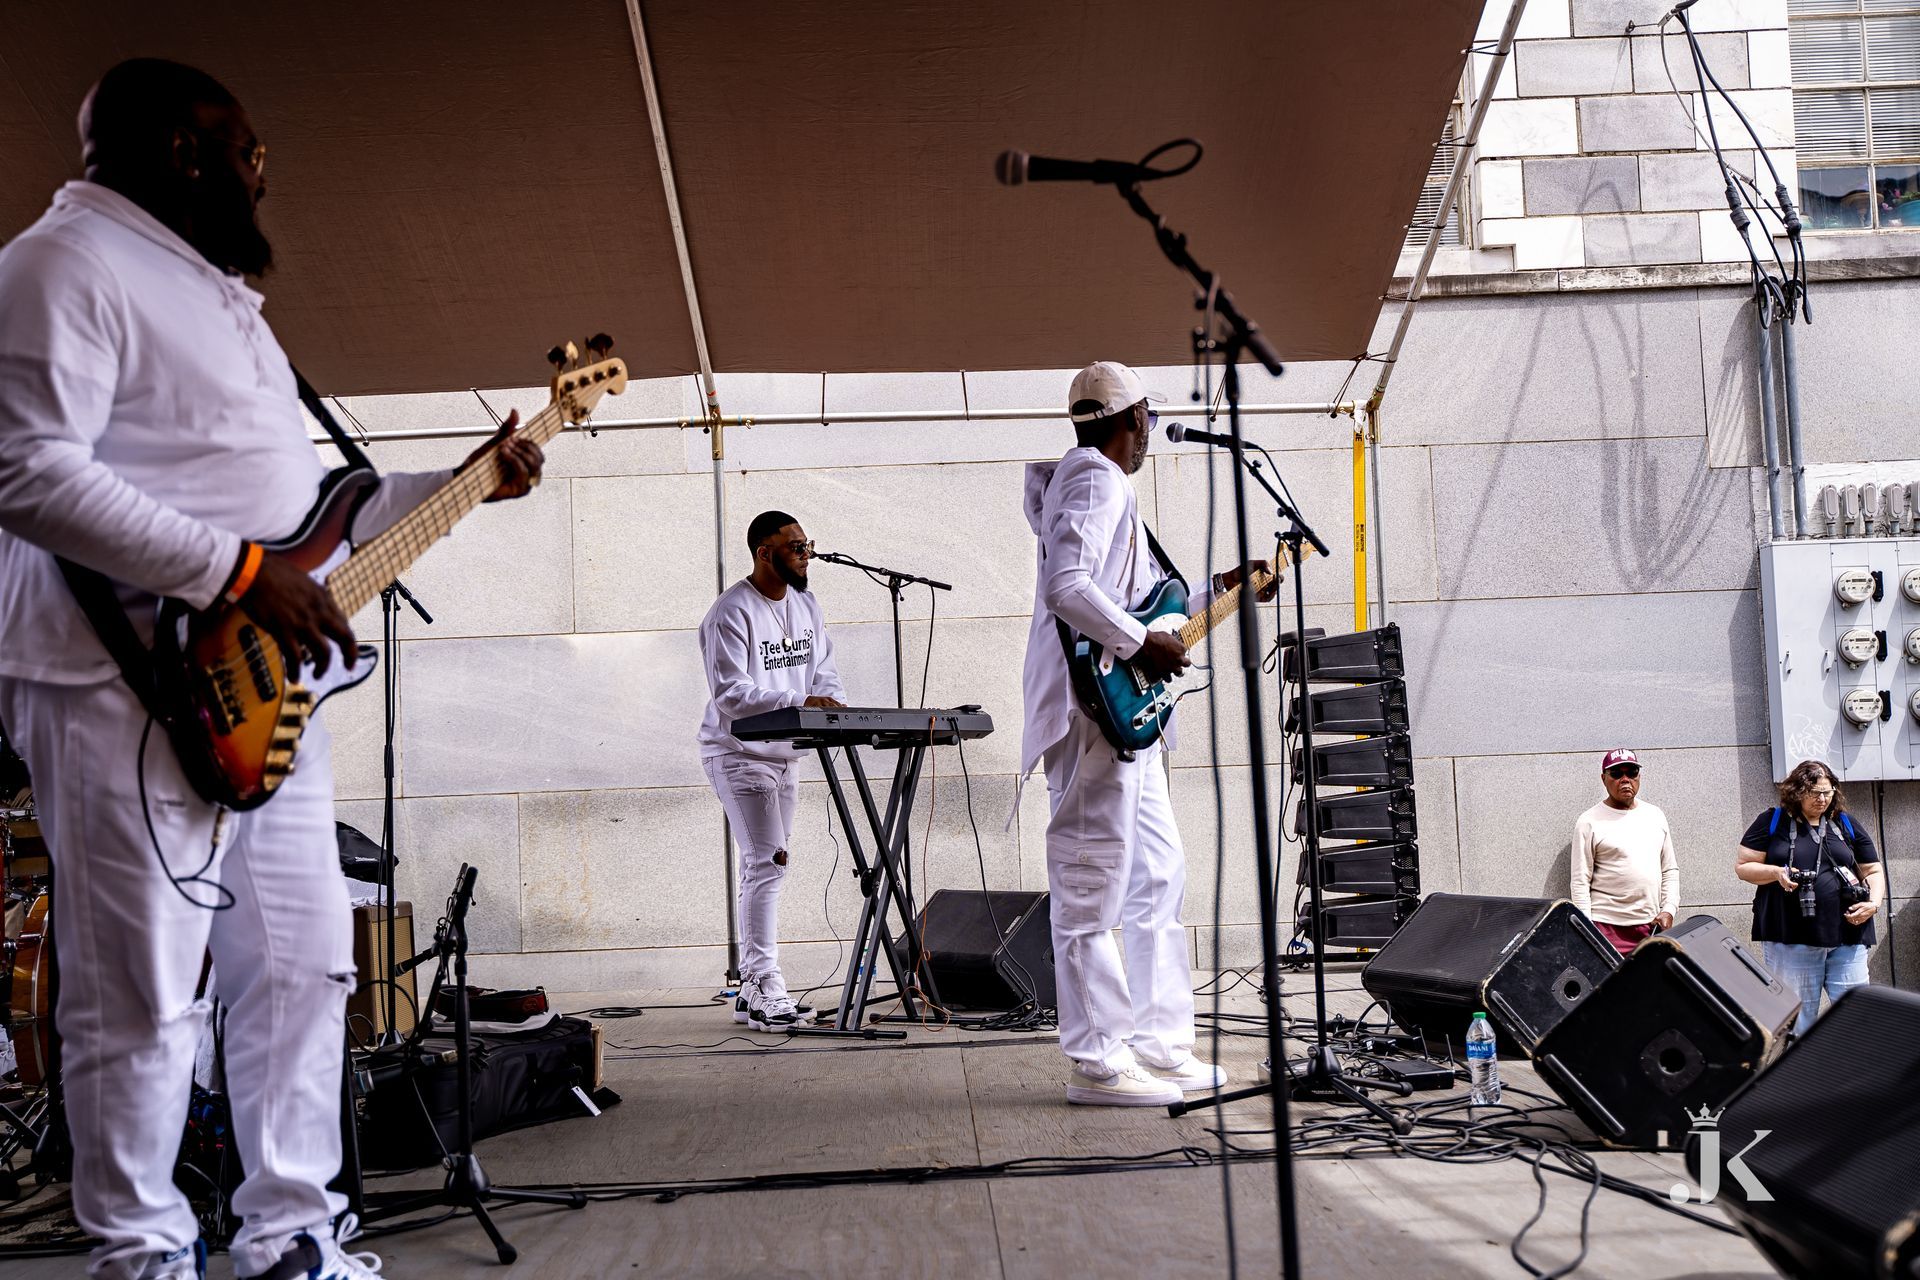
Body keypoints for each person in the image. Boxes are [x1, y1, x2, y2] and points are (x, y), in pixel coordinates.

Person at [0, 59, 545, 1280]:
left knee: (303, 961)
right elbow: (23, 469)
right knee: (143, 995)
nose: (262, 175)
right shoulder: (62, 265)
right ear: (182, 151)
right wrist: (239, 575)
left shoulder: (213, 293)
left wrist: (461, 482)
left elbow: (312, 516)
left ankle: (291, 1231)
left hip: (263, 697)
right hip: (118, 687)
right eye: (250, 151)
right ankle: (143, 1255)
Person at [1019, 360, 1272, 1106]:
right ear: (1134, 419)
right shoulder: (1097, 479)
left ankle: (1162, 1045)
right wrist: (1138, 643)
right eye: (1149, 420)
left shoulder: (1094, 483)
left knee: (1157, 876)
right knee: (1090, 884)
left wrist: (1218, 591)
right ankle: (1099, 1062)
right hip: (1094, 716)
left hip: (1122, 720)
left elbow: (1136, 603)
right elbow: (1068, 589)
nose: (1151, 433)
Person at [698, 511, 846, 1034]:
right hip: (739, 754)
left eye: (808, 545)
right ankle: (765, 984)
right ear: (764, 552)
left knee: (767, 865)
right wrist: (800, 701)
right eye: (796, 547)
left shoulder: (807, 605)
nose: (807, 555)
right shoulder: (731, 612)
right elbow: (731, 694)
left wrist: (832, 708)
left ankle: (750, 990)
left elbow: (825, 672)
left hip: (788, 753)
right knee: (768, 862)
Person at [1736, 759, 1884, 1036]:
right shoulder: (1773, 821)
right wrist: (1776, 873)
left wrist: (1874, 904)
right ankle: (1800, 1066)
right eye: (1814, 793)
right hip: (1793, 939)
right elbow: (1743, 867)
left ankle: (1851, 1065)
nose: (1822, 799)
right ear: (1796, 791)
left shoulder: (1844, 822)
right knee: (1797, 1024)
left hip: (1848, 937)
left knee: (1857, 1020)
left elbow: (1873, 870)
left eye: (1827, 792)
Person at [1570, 748, 1678, 956]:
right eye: (1617, 774)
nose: (1625, 779)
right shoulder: (1589, 821)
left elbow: (1670, 869)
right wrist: (1587, 931)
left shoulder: (1655, 815)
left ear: (1639, 777)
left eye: (1632, 773)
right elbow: (1580, 881)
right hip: (1606, 929)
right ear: (1604, 779)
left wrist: (1669, 909)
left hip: (1650, 927)